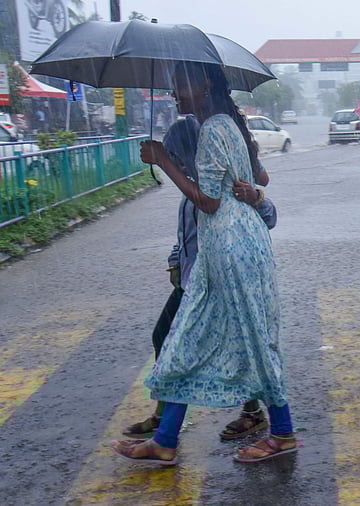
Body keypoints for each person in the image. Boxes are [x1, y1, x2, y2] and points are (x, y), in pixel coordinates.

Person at [111, 61, 296, 464]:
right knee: (186, 340)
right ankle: (165, 439)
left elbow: (209, 201)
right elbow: (249, 183)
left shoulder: (213, 129)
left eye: (181, 83)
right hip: (228, 247)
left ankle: (282, 433)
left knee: (253, 341)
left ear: (204, 84)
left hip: (231, 248)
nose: (174, 91)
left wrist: (164, 161)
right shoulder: (226, 125)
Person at [120, 114, 279, 442]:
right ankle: (166, 423)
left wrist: (255, 197)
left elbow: (267, 215)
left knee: (218, 348)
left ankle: (255, 417)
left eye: (178, 155)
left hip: (217, 284)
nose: (177, 162)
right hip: (194, 282)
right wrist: (176, 261)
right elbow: (186, 238)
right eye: (173, 157)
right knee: (167, 339)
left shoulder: (219, 188)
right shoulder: (189, 192)